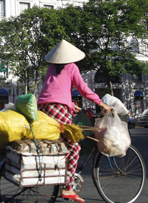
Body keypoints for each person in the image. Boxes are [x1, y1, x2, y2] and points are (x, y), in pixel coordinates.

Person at [36, 39, 111, 203]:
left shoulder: (51, 68)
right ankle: (68, 187)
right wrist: (100, 102)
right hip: (58, 108)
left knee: (59, 142)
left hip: (43, 107)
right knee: (74, 146)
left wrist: (70, 105)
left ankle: (60, 174)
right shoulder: (71, 67)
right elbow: (83, 89)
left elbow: (52, 91)